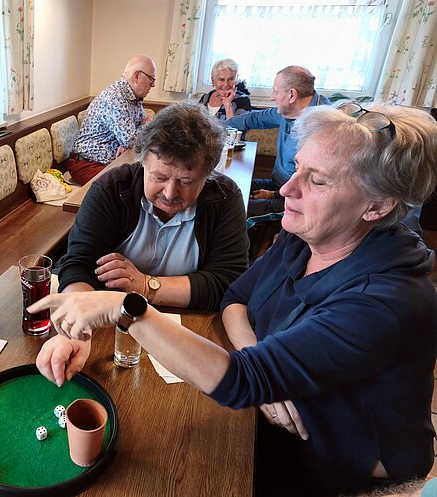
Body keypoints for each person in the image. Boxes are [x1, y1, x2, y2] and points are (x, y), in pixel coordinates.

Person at [31, 103, 437, 497]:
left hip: (340, 473)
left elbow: (241, 378)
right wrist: (268, 369)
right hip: (268, 426)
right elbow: (236, 296)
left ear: (377, 206)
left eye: (317, 181)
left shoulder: (386, 300)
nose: (286, 189)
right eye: (298, 168)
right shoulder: (304, 237)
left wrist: (124, 306)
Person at [44, 100, 249, 388]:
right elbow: (79, 263)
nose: (170, 193)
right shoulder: (111, 189)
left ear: (207, 176)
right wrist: (77, 329)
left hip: (189, 339)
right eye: (159, 177)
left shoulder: (224, 199)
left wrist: (144, 285)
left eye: (186, 181)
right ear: (142, 162)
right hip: (111, 329)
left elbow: (228, 283)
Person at [223, 65, 331, 216]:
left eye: (275, 91)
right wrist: (212, 127)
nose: (272, 97)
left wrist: (275, 195)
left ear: (292, 95)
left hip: (296, 200)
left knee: (231, 211)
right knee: (225, 188)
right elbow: (252, 119)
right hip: (277, 185)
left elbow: (314, 184)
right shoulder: (289, 110)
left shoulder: (323, 126)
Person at [68, 54, 156, 185]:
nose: (153, 85)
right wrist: (143, 127)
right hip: (87, 164)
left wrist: (129, 139)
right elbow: (132, 140)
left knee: (146, 177)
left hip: (110, 162)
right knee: (133, 185)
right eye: (151, 79)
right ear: (137, 76)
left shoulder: (133, 97)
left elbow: (137, 132)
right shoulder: (115, 98)